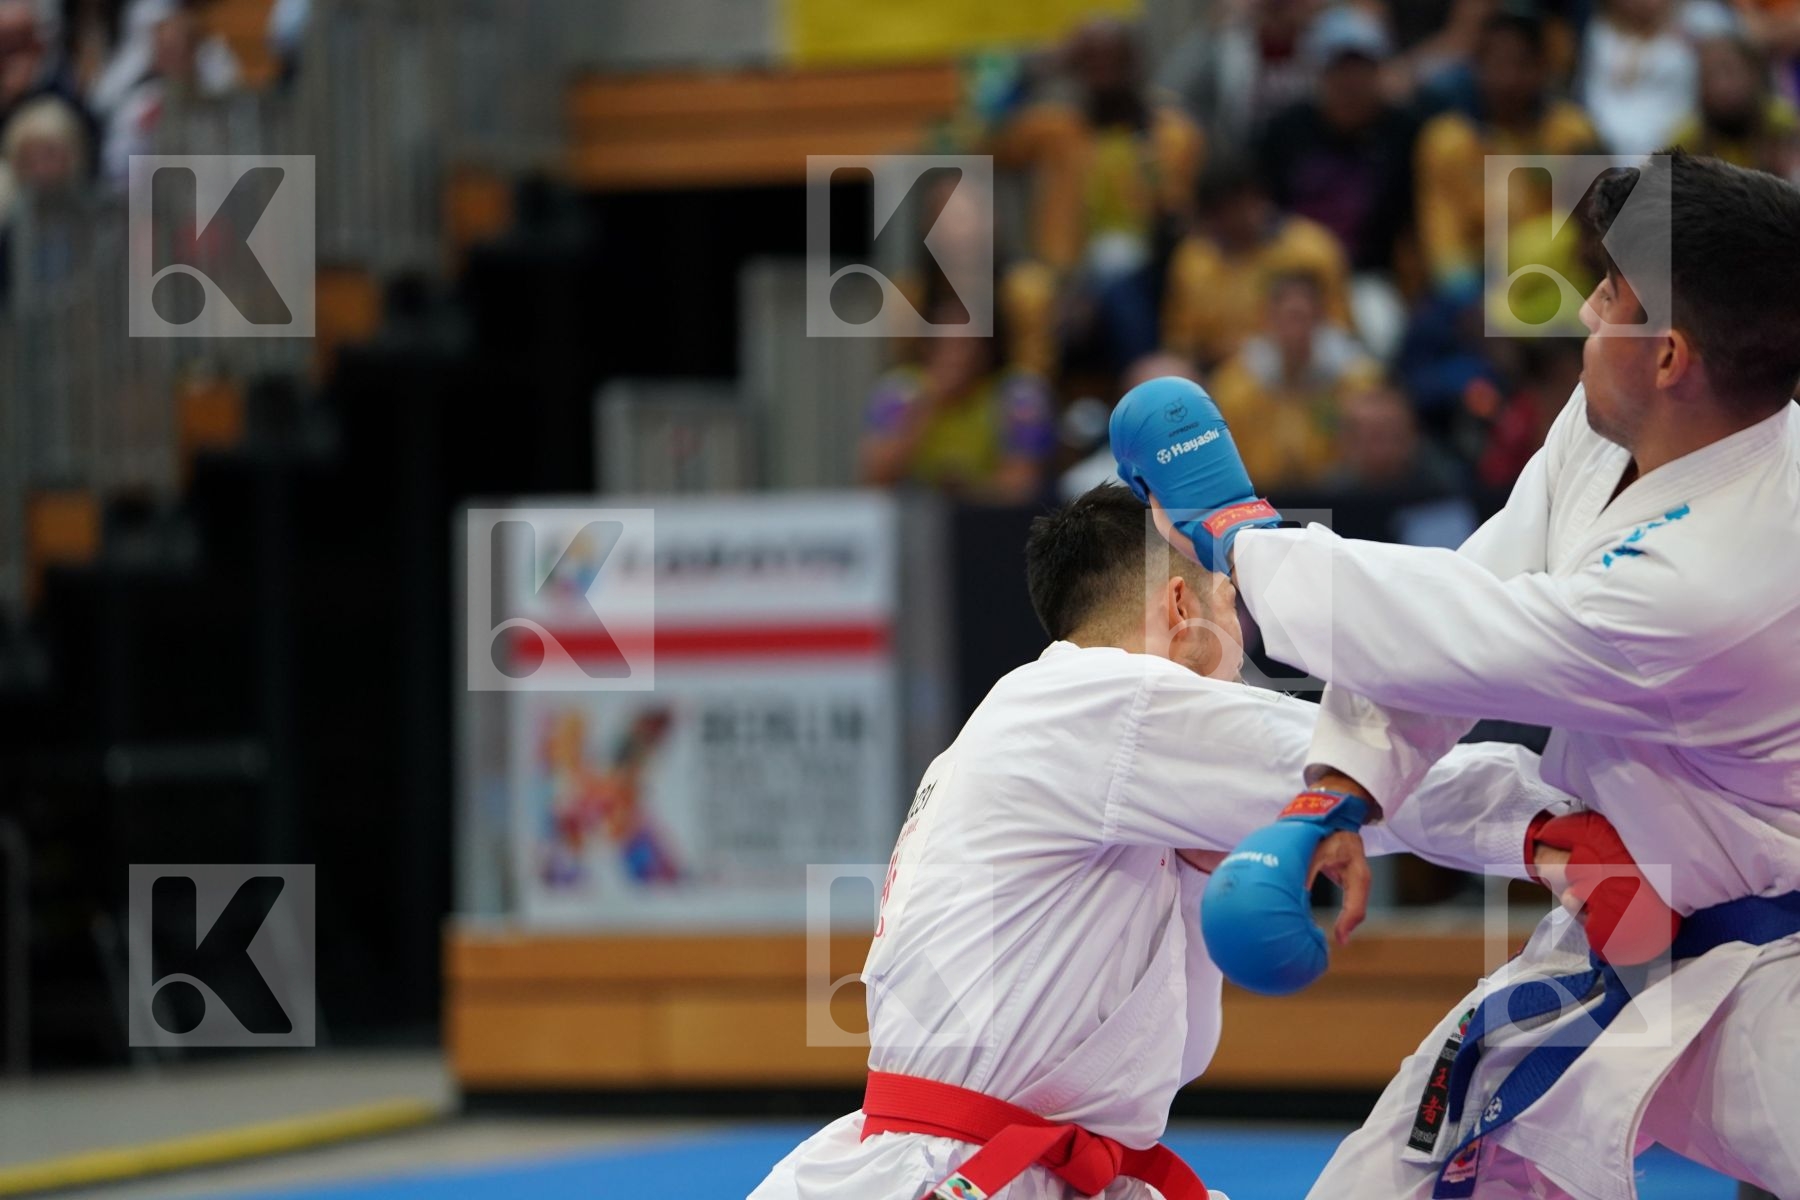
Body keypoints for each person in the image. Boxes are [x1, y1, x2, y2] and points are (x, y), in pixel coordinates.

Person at [1111, 150, 1800, 1196]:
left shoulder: (1720, 580)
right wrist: (1333, 799)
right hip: (1632, 921)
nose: (1587, 310)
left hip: (1776, 968)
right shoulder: (1620, 427)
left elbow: (1478, 630)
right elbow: (1472, 589)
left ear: (1669, 357)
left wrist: (1237, 537)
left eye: (1610, 294)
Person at [750, 483, 1594, 1200]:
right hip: (962, 1172)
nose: (1245, 665)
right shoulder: (1105, 698)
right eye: (1237, 613)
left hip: (1038, 1162)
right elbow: (1347, 766)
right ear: (1182, 607)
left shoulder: (1053, 736)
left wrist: (1195, 878)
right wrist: (1558, 824)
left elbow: (1167, 1064)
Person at [1413, 4, 1597, 298]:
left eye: (1522, 64)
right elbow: (1444, 246)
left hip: (1559, 280)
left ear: (1542, 68)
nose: (1509, 78)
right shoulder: (1446, 140)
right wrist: (1472, 302)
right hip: (1475, 286)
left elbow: (1591, 230)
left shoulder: (1571, 133)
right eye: (1497, 64)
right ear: (1476, 66)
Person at [1161, 155, 1352, 369]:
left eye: (1235, 207)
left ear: (1257, 198)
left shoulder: (1311, 248)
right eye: (1217, 213)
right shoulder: (1193, 259)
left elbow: (1339, 332)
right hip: (1219, 377)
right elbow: (1182, 344)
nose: (1229, 220)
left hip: (1305, 371)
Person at [858, 300, 1055, 505]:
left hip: (991, 517)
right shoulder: (899, 391)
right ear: (927, 347)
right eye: (947, 345)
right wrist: (929, 402)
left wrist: (965, 492)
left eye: (968, 345)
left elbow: (1022, 483)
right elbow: (874, 478)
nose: (959, 358)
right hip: (916, 517)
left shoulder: (1019, 394)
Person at [1205, 272, 1380, 489]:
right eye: (1290, 317)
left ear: (1321, 318)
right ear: (1268, 319)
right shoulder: (1234, 385)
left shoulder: (1355, 381)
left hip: (1336, 498)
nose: (1297, 330)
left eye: (1305, 317)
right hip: (1258, 497)